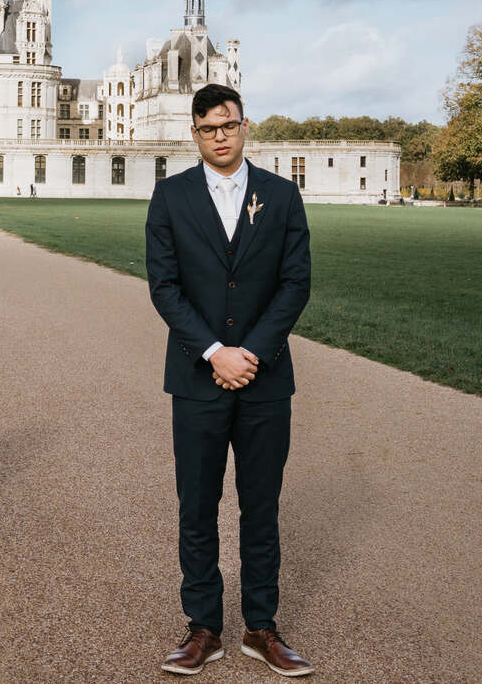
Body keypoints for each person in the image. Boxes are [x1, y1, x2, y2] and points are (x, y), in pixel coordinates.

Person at [144, 84, 313, 677]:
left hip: (265, 380)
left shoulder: (282, 195)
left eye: (230, 125)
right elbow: (164, 286)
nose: (221, 135)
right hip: (198, 376)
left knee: (261, 506)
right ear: (194, 133)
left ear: (246, 127)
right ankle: (203, 629)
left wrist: (253, 354)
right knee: (198, 505)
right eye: (210, 127)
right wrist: (215, 352)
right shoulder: (170, 197)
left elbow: (296, 284)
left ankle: (261, 628)